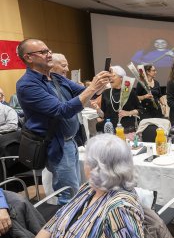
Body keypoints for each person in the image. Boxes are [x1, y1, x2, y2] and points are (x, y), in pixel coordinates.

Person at [9, 134, 151, 238]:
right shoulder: (89, 189)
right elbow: (52, 225)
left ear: (96, 168)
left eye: (87, 161)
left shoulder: (119, 209)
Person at [16, 38, 111, 205]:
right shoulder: (27, 85)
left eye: (49, 50)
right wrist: (92, 87)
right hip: (56, 144)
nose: (49, 54)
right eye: (43, 52)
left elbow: (87, 95)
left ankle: (73, 225)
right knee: (69, 194)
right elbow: (62, 111)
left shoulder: (56, 78)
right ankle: (67, 228)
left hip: (70, 141)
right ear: (29, 57)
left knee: (75, 188)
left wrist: (99, 84)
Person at [94, 65, 141, 133]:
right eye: (109, 77)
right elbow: (103, 115)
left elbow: (140, 110)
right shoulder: (106, 93)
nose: (110, 79)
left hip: (126, 130)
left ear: (121, 78)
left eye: (113, 76)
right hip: (110, 130)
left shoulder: (129, 91)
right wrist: (98, 109)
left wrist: (128, 113)